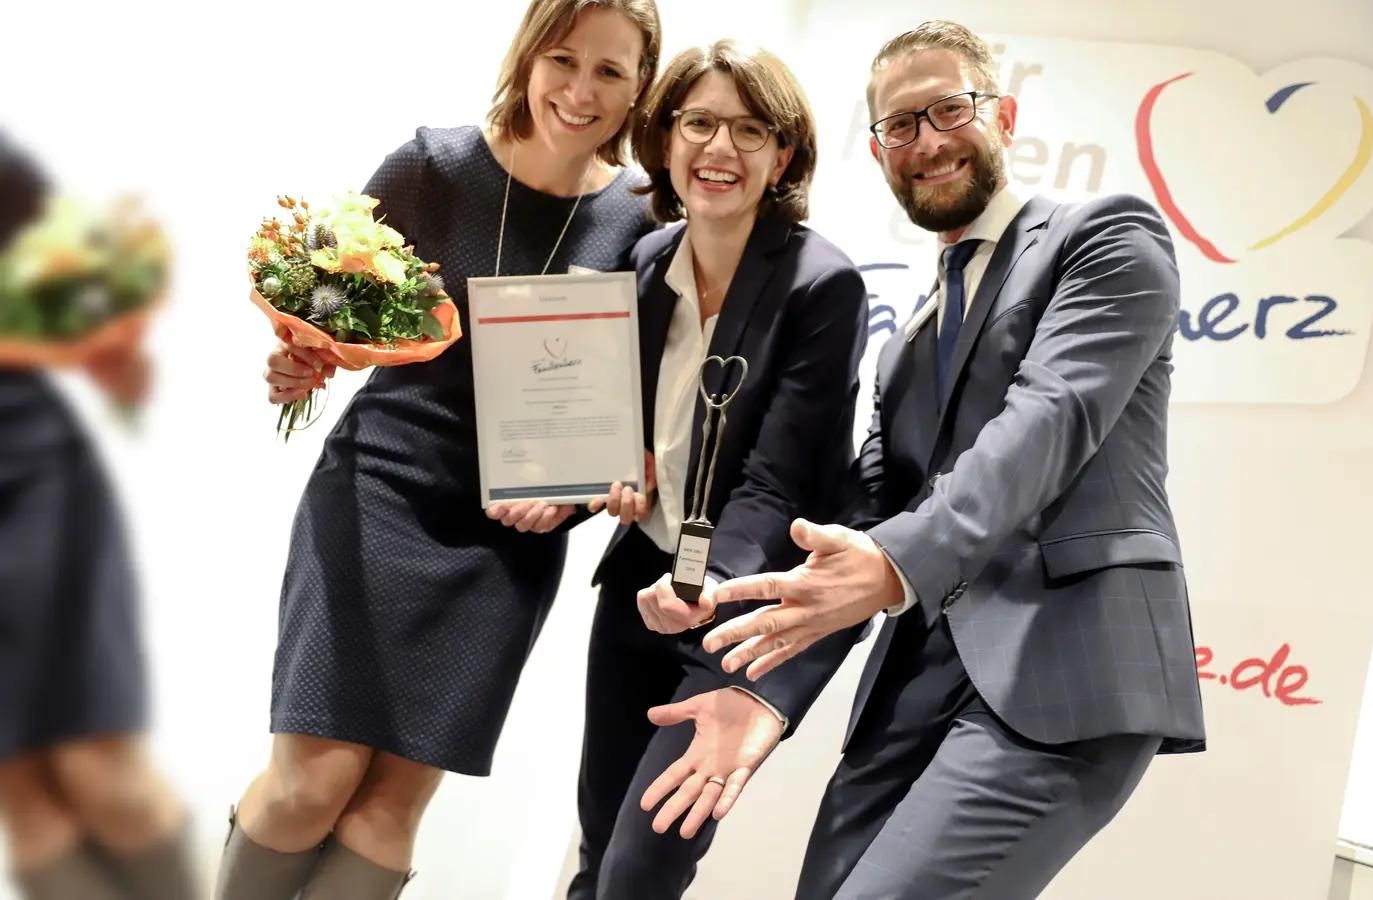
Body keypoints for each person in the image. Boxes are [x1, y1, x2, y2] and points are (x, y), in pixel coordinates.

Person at [646, 20, 1207, 900]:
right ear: (877, 154)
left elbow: (1047, 421)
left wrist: (895, 559)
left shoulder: (1103, 238)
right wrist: (756, 659)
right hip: (918, 680)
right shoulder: (906, 344)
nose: (927, 142)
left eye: (950, 110)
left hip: (1061, 668)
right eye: (899, 127)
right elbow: (860, 522)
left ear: (1006, 116)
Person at [223, 2, 662, 897]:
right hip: (379, 488)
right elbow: (329, 315)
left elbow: (631, 409)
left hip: (506, 541)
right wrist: (300, 360)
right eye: (562, 59)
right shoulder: (435, 163)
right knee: (313, 783)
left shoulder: (646, 223)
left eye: (610, 72)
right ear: (528, 56)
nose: (579, 91)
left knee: (389, 809)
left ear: (641, 85)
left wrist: (582, 492)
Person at [486, 40, 869, 900]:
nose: (719, 149)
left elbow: (777, 477)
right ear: (664, 140)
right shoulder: (647, 260)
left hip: (740, 607)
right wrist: (572, 491)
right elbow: (622, 438)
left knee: (642, 867)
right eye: (698, 122)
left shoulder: (823, 284)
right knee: (596, 847)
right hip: (637, 588)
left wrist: (711, 582)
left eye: (749, 128)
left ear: (785, 156)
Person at [0, 133, 198, 900]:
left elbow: (71, 295)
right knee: (19, 794)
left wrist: (111, 342)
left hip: (30, 476)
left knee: (102, 773)